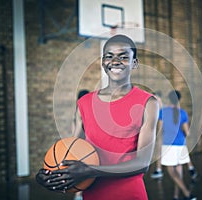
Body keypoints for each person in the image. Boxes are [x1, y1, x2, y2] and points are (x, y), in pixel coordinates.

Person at [36, 34, 159, 200]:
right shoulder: (84, 103)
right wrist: (50, 175)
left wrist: (92, 170)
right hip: (93, 194)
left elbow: (142, 163)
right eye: (109, 56)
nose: (115, 61)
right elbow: (73, 153)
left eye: (123, 57)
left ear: (134, 63)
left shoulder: (148, 103)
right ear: (103, 62)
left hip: (130, 194)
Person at [159, 90, 196, 200]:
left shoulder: (162, 112)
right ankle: (176, 196)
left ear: (169, 99)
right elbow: (187, 132)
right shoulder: (183, 113)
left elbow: (160, 130)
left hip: (168, 144)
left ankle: (186, 193)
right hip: (181, 144)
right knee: (178, 173)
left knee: (171, 171)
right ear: (179, 100)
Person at [72, 89, 89, 200]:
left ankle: (78, 194)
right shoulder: (82, 110)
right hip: (84, 145)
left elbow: (74, 131)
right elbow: (76, 131)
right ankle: (78, 194)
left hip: (83, 144)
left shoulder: (78, 111)